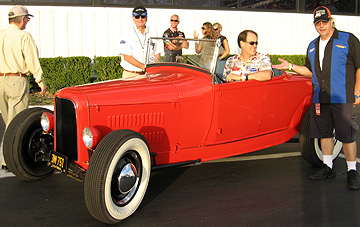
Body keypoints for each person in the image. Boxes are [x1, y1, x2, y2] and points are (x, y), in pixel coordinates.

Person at [272, 6, 360, 190]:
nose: (321, 26)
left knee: (347, 135)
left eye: (324, 22)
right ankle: (327, 167)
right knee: (323, 133)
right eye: (318, 23)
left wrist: (358, 92)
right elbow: (309, 71)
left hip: (342, 96)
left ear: (331, 20)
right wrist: (291, 66)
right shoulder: (313, 45)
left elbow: (359, 67)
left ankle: (352, 171)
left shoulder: (348, 39)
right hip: (320, 97)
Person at [0, 5, 47, 171]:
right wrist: (40, 81)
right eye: (27, 18)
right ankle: (8, 160)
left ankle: (6, 156)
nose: (27, 22)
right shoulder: (24, 37)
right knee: (16, 123)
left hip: (0, 80)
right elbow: (32, 60)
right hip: (16, 80)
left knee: (7, 121)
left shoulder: (1, 35)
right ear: (21, 19)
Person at [119, 6, 162, 78]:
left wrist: (155, 66)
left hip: (149, 74)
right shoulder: (127, 33)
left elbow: (157, 53)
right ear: (133, 18)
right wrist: (144, 67)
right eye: (137, 16)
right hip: (131, 74)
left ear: (147, 17)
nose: (140, 19)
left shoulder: (153, 32)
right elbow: (127, 57)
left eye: (143, 16)